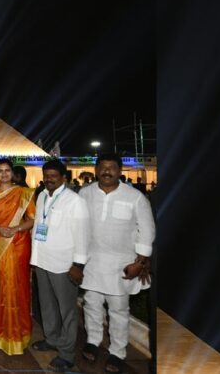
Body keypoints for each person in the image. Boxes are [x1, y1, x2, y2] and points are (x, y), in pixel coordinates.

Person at [79, 154, 155, 374]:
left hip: (122, 264)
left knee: (119, 309)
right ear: (96, 170)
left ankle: (118, 352)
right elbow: (77, 225)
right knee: (91, 304)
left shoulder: (135, 197)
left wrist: (140, 261)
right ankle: (93, 341)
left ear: (120, 171)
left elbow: (147, 229)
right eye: (102, 167)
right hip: (92, 261)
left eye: (112, 167)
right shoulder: (85, 194)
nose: (107, 171)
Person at [30, 160, 90, 372]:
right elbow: (39, 226)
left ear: (64, 177)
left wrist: (78, 265)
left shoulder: (75, 201)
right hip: (42, 260)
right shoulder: (42, 196)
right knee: (46, 305)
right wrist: (34, 259)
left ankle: (67, 354)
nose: (49, 179)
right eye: (46, 175)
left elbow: (83, 234)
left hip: (64, 264)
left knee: (67, 311)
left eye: (53, 175)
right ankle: (52, 339)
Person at [0, 158, 36, 355]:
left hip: (18, 244)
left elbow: (32, 219)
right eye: (0, 171)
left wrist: (15, 229)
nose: (4, 174)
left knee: (18, 285)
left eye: (7, 170)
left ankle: (18, 334)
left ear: (12, 173)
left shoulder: (23, 193)